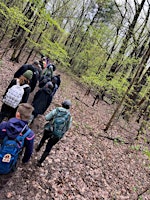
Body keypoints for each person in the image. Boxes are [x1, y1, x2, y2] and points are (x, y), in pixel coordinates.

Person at [36, 100, 72, 167]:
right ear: (69, 107)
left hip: (49, 129)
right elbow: (68, 127)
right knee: (49, 147)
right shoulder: (69, 116)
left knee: (43, 138)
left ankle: (38, 147)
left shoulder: (56, 110)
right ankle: (40, 162)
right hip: (57, 134)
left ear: (62, 104)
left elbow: (47, 118)